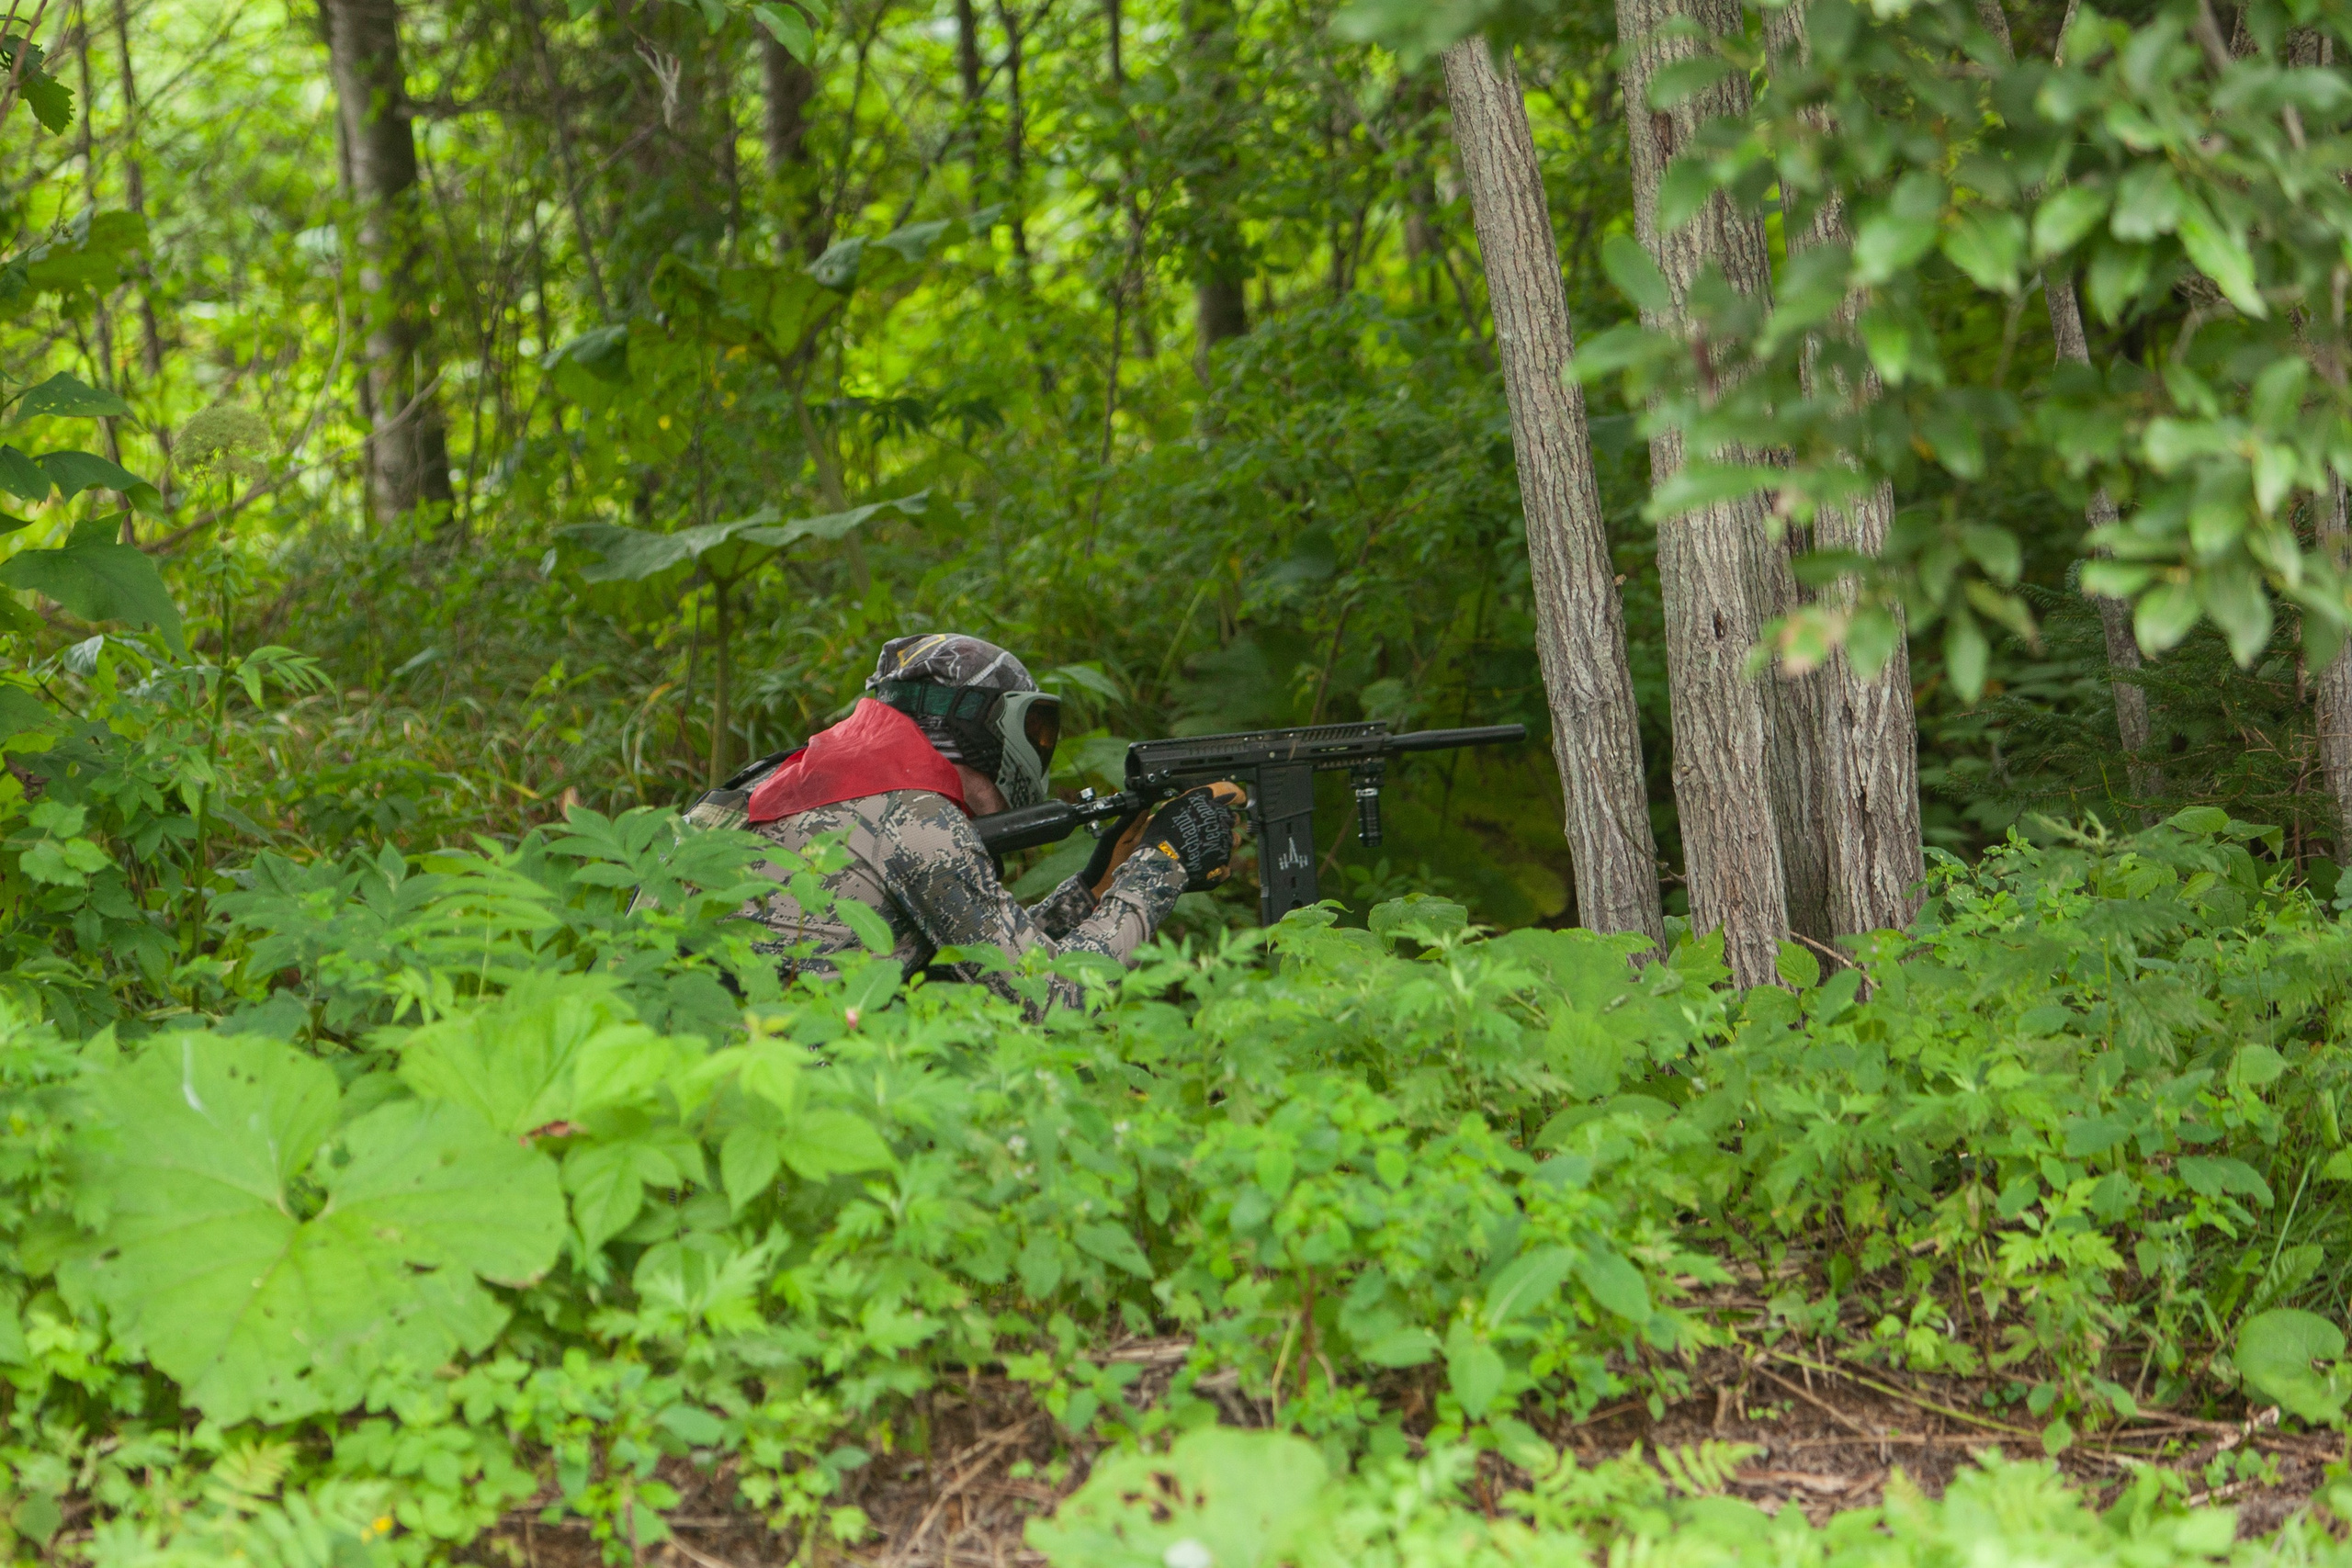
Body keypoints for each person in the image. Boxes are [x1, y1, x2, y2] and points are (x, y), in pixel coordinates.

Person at [736, 632, 1241, 1008]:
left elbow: (984, 965)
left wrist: (1089, 891)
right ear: (988, 728)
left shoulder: (779, 779)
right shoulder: (917, 821)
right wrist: (1162, 864)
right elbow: (1049, 1000)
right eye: (1036, 732)